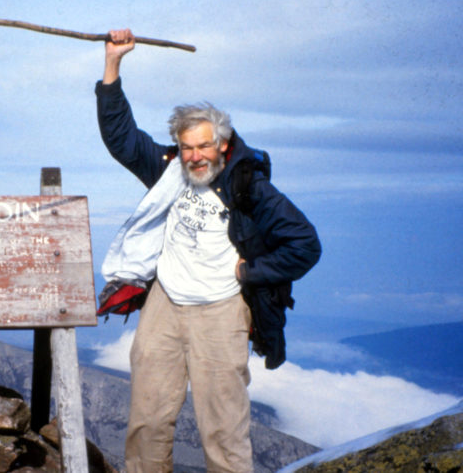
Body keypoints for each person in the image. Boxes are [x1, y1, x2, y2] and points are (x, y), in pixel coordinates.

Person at [95, 29, 322, 472]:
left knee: (222, 430)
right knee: (146, 422)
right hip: (165, 304)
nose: (195, 156)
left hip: (221, 309)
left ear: (222, 144)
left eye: (203, 146)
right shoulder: (168, 171)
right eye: (186, 147)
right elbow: (121, 138)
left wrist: (250, 273)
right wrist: (112, 65)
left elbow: (305, 244)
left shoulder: (250, 186)